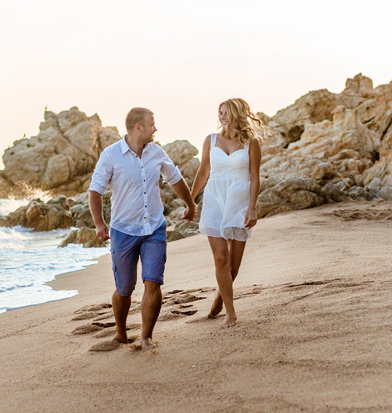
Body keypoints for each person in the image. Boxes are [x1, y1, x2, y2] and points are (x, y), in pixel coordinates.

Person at [89, 108, 196, 352]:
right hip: (123, 231)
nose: (155, 129)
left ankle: (146, 337)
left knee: (153, 283)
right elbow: (95, 190)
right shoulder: (111, 155)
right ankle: (120, 331)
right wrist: (99, 223)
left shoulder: (156, 152)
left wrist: (190, 205)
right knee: (124, 289)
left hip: (153, 229)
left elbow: (175, 178)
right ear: (139, 127)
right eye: (152, 125)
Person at [190, 98, 265, 329]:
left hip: (239, 201)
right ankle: (230, 314)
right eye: (220, 112)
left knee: (233, 266)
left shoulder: (251, 142)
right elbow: (203, 172)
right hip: (214, 199)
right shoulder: (210, 140)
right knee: (220, 258)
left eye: (227, 112)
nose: (222, 116)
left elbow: (254, 177)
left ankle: (221, 294)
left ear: (238, 114)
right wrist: (190, 201)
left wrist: (252, 207)